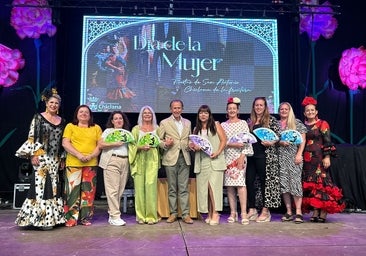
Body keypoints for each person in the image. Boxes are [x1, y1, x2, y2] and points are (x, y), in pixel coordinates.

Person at [15, 88, 66, 230]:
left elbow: (63, 141)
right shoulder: (38, 117)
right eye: (51, 102)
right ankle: (40, 218)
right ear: (46, 103)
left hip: (55, 158)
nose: (54, 105)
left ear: (59, 105)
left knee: (54, 186)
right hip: (41, 156)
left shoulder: (62, 121)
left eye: (56, 103)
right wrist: (33, 154)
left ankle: (50, 219)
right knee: (41, 186)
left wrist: (62, 158)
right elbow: (32, 136)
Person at [301, 96, 345, 222]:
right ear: (304, 113)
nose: (310, 112)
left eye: (312, 110)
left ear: (316, 112)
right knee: (312, 185)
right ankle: (315, 210)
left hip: (319, 158)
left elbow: (327, 141)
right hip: (307, 160)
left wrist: (327, 157)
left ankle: (323, 211)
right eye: (307, 110)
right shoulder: (303, 126)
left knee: (321, 184)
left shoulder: (322, 123)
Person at [62, 105, 102, 227]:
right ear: (77, 114)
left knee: (88, 192)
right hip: (74, 163)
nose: (84, 114)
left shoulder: (96, 128)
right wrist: (79, 155)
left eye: (86, 112)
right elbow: (65, 143)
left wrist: (90, 156)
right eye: (81, 111)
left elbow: (99, 145)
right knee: (72, 192)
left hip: (91, 164)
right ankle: (71, 218)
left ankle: (85, 217)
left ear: (90, 115)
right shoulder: (70, 126)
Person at [190, 105, 227, 225]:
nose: (203, 115)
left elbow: (224, 140)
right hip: (202, 162)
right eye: (201, 113)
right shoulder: (196, 129)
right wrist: (193, 146)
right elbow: (194, 144)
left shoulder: (216, 125)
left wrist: (217, 152)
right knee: (205, 189)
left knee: (214, 188)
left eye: (205, 113)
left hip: (215, 161)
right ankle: (210, 213)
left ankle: (216, 213)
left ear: (209, 114)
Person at [246, 97, 280, 222]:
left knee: (264, 182)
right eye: (256, 105)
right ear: (253, 107)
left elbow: (278, 137)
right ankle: (252, 209)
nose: (258, 107)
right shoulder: (250, 121)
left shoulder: (271, 120)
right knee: (249, 181)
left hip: (265, 156)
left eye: (261, 105)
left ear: (265, 107)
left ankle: (266, 211)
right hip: (251, 156)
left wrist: (271, 142)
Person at [159, 99, 193, 224]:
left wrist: (191, 145)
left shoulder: (187, 122)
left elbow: (189, 139)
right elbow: (159, 140)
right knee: (172, 188)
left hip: (184, 157)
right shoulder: (164, 122)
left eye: (179, 108)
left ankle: (185, 214)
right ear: (171, 109)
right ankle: (173, 213)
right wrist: (165, 144)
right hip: (170, 157)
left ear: (182, 109)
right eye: (174, 108)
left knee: (183, 188)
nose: (177, 110)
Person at [221, 97, 253, 225]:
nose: (232, 110)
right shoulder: (223, 125)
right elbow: (222, 143)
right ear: (227, 110)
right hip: (227, 157)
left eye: (234, 108)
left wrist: (242, 156)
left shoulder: (243, 123)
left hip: (239, 157)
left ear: (238, 110)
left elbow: (247, 141)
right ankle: (233, 212)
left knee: (241, 185)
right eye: (230, 109)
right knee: (229, 186)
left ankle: (243, 212)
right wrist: (232, 145)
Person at [129, 106, 161, 225]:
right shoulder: (136, 129)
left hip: (152, 159)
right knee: (139, 189)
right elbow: (131, 145)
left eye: (149, 113)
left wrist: (166, 143)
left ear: (152, 115)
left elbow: (160, 142)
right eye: (145, 113)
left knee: (151, 187)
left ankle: (151, 216)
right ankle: (141, 216)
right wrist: (140, 147)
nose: (147, 115)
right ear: (141, 115)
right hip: (139, 158)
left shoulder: (157, 128)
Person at [98, 111, 131, 226]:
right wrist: (114, 144)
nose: (118, 120)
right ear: (112, 121)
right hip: (112, 160)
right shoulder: (108, 131)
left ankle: (112, 214)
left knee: (120, 190)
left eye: (120, 118)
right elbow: (100, 145)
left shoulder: (126, 133)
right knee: (112, 190)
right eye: (115, 118)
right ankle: (115, 216)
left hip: (125, 161)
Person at [277, 102, 307, 224]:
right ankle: (289, 211)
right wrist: (280, 142)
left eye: (286, 109)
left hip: (294, 157)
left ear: (290, 110)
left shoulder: (297, 123)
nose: (283, 111)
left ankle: (298, 212)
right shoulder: (276, 124)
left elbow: (303, 140)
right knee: (284, 185)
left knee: (295, 184)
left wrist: (299, 154)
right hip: (281, 157)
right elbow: (273, 139)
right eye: (281, 109)